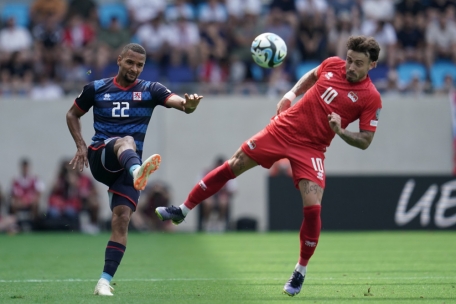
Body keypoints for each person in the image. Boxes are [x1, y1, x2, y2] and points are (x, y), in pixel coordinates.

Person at [156, 36, 382, 297]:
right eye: (349, 60)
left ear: (372, 65)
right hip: (283, 129)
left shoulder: (370, 98)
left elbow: (365, 140)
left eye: (358, 64)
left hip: (312, 148)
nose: (350, 67)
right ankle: (183, 209)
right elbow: (312, 74)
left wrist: (340, 131)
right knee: (234, 165)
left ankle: (300, 270)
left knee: (313, 207)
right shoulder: (333, 64)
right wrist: (290, 94)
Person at [66, 43, 203, 296]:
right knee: (125, 140)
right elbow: (72, 114)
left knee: (121, 219)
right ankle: (138, 171)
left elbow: (178, 102)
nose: (135, 69)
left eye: (140, 65)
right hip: (102, 157)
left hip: (130, 169)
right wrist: (81, 145)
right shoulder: (96, 88)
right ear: (119, 60)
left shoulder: (151, 89)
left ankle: (104, 282)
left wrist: (188, 105)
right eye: (130, 62)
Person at [198, 156, 237, 232]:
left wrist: (224, 189)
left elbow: (233, 189)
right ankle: (208, 222)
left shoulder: (229, 175)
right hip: (208, 195)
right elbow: (198, 185)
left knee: (224, 201)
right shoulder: (206, 173)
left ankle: (219, 222)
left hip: (221, 196)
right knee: (208, 202)